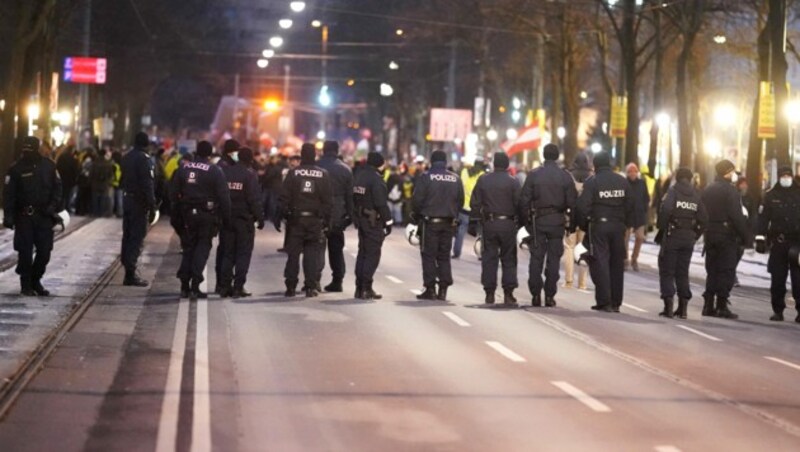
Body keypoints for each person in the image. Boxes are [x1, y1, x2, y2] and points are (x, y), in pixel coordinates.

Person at [170, 141, 231, 300]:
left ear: (196, 152)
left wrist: (176, 215)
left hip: (187, 214)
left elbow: (173, 193)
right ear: (210, 154)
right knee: (202, 248)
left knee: (188, 247)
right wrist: (226, 217)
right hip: (207, 215)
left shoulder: (183, 168)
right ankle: (195, 285)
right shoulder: (214, 171)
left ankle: (184, 285)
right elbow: (224, 197)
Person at [519, 144, 577, 307]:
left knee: (536, 259)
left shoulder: (534, 175)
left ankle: (536, 293)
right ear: (557, 156)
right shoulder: (565, 176)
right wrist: (571, 225)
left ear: (543, 155)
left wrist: (525, 223)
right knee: (554, 260)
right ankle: (550, 295)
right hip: (557, 222)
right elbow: (573, 203)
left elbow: (524, 200)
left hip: (538, 222)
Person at [3, 136, 63, 296]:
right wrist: (8, 215)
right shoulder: (15, 169)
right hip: (24, 217)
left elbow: (58, 189)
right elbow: (9, 194)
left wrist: (52, 208)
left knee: (44, 252)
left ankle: (36, 278)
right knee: (25, 252)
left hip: (44, 216)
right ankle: (26, 283)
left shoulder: (49, 166)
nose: (27, 151)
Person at [576, 151, 633, 312]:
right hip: (618, 227)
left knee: (599, 262)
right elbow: (631, 204)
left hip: (599, 226)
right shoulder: (622, 182)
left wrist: (582, 224)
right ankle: (616, 302)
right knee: (616, 263)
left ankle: (604, 301)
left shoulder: (592, 182)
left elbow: (582, 206)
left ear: (595, 165)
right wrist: (624, 222)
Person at [279, 144, 333, 297]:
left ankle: (290, 286)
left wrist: (282, 216)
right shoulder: (323, 174)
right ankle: (310, 286)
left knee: (293, 254)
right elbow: (328, 201)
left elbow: (284, 198)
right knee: (311, 254)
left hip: (296, 220)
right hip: (314, 220)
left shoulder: (293, 173)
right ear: (314, 155)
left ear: (302, 155)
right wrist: (327, 221)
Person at [411, 149, 464, 301]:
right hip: (448, 223)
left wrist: (416, 216)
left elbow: (417, 200)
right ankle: (443, 289)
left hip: (430, 223)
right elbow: (460, 201)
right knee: (444, 256)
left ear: (432, 161)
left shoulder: (426, 177)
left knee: (428, 256)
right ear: (445, 162)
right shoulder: (455, 178)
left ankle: (430, 289)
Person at [701, 159, 751, 319]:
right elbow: (737, 216)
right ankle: (721, 305)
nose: (734, 175)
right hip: (726, 236)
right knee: (726, 270)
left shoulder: (708, 189)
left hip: (710, 234)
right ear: (727, 173)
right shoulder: (731, 192)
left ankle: (708, 304)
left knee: (712, 270)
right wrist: (745, 236)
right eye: (732, 171)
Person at [656, 167, 707, 319]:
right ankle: (683, 308)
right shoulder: (695, 195)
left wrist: (662, 227)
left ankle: (668, 306)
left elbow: (665, 210)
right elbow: (704, 219)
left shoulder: (673, 192)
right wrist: (694, 235)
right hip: (688, 239)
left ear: (677, 178)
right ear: (690, 179)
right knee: (682, 272)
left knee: (667, 270)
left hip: (673, 236)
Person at [470, 152, 521, 305]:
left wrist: (475, 222)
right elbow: (520, 204)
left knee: (489, 259)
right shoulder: (513, 182)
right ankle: (508, 293)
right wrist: (521, 224)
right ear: (507, 165)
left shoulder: (483, 180)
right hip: (508, 224)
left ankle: (489, 293)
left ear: (493, 164)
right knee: (509, 259)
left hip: (489, 224)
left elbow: (475, 202)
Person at [755, 166, 800, 322]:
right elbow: (763, 219)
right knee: (777, 279)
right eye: (783, 175)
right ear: (779, 177)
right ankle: (778, 310)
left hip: (797, 243)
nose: (786, 178)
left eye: (788, 175)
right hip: (779, 243)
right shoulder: (771, 195)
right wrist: (760, 238)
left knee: (798, 279)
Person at [219, 148, 264, 298]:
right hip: (244, 220)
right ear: (250, 159)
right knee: (243, 253)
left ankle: (225, 286)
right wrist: (260, 218)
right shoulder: (250, 175)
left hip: (227, 218)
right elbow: (254, 199)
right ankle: (238, 286)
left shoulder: (225, 172)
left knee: (228, 253)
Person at [353, 152, 392, 300]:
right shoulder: (376, 180)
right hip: (373, 220)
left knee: (362, 253)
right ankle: (366, 288)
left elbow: (354, 198)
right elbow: (381, 203)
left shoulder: (359, 176)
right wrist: (388, 222)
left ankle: (359, 287)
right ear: (379, 164)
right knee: (372, 255)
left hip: (361, 218)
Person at [120, 133, 157, 286]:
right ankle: (130, 273)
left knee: (127, 235)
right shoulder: (144, 159)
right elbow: (147, 184)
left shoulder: (126, 157)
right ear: (146, 144)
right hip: (138, 202)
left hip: (127, 199)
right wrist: (152, 205)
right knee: (136, 237)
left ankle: (127, 266)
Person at [317, 141, 354, 293]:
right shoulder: (345, 169)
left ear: (323, 150)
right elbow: (350, 196)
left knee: (317, 248)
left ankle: (314, 280)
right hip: (338, 214)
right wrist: (350, 216)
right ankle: (337, 280)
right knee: (336, 249)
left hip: (318, 213)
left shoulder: (315, 167)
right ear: (337, 150)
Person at [214, 139, 240, 293]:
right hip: (225, 213)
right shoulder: (224, 167)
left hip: (225, 212)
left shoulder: (224, 165)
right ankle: (223, 282)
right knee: (226, 250)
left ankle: (223, 282)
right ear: (231, 152)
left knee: (225, 249)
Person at [563, 151, 591, 290]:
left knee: (569, 247)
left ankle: (568, 280)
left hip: (572, 216)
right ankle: (583, 283)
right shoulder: (591, 178)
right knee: (583, 248)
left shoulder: (569, 177)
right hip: (585, 218)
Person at [453, 156, 484, 259]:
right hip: (478, 209)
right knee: (481, 232)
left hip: (464, 207)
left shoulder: (465, 172)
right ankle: (481, 253)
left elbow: (459, 187)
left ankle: (457, 252)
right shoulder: (483, 175)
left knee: (461, 231)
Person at [624, 163, 650, 271]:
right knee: (625, 239)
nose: (632, 174)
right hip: (626, 215)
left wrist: (644, 209)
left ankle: (634, 258)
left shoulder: (642, 183)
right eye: (630, 172)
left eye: (634, 171)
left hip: (639, 215)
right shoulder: (624, 183)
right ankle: (625, 259)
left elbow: (646, 198)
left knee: (640, 237)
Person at [90, 148, 114, 217]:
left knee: (95, 199)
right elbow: (111, 175)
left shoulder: (95, 163)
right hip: (104, 184)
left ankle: (95, 212)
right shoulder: (108, 163)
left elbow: (91, 174)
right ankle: (101, 212)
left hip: (95, 184)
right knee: (103, 198)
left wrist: (90, 181)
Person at [56, 145, 79, 213]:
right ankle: (67, 208)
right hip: (70, 180)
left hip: (62, 178)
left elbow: (58, 167)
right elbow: (75, 170)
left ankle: (61, 208)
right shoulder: (73, 158)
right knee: (68, 195)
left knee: (62, 194)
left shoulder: (61, 157)